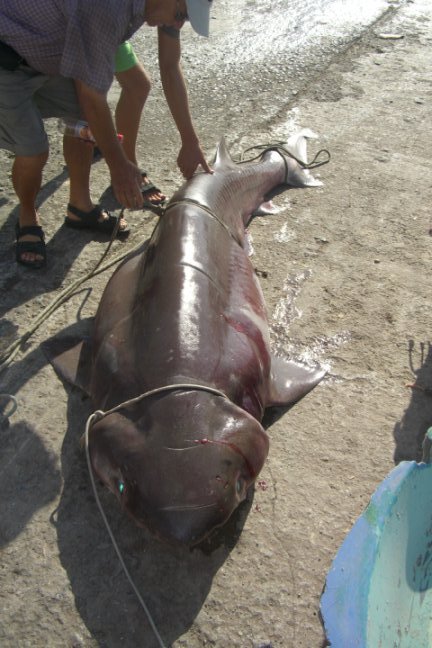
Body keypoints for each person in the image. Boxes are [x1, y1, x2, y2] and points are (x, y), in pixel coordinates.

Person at [0, 0, 213, 269]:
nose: (179, 24)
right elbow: (93, 97)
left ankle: (80, 207)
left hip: (50, 51)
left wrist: (190, 140)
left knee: (82, 117)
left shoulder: (157, 9)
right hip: (7, 55)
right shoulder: (107, 10)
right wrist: (119, 167)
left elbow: (170, 65)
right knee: (33, 149)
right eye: (181, 15)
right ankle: (27, 216)